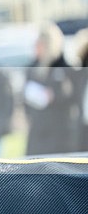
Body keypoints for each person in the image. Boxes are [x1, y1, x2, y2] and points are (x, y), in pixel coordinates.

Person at [23, 23, 78, 155]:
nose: (36, 49)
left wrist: (54, 95)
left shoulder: (65, 68)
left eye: (40, 44)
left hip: (59, 134)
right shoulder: (33, 69)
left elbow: (72, 95)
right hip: (38, 132)